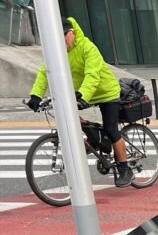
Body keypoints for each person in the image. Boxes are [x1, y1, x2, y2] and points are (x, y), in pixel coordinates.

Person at [27, 17, 134, 187]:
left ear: (72, 33)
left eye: (64, 36)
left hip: (106, 92)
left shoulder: (88, 48)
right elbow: (44, 72)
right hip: (83, 93)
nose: (61, 41)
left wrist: (83, 96)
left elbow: (93, 75)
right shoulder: (56, 52)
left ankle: (124, 168)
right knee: (70, 119)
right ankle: (97, 139)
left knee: (111, 128)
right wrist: (36, 96)